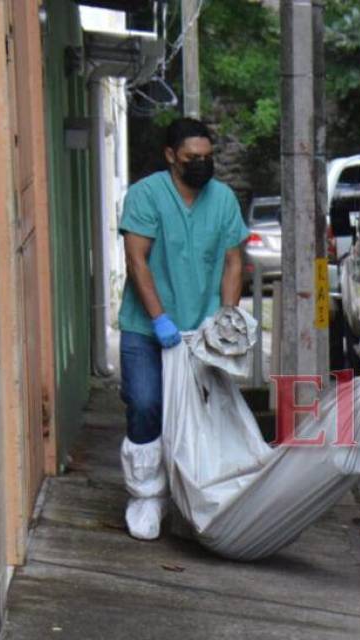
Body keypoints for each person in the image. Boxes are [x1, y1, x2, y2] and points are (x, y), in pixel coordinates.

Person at [118, 117, 249, 539]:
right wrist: (158, 318)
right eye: (193, 158)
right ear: (171, 156)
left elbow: (233, 262)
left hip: (202, 331)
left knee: (205, 413)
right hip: (147, 326)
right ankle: (146, 496)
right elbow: (138, 260)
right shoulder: (145, 196)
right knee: (145, 404)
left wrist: (226, 318)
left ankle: (199, 492)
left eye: (208, 158)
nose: (201, 165)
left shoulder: (223, 199)